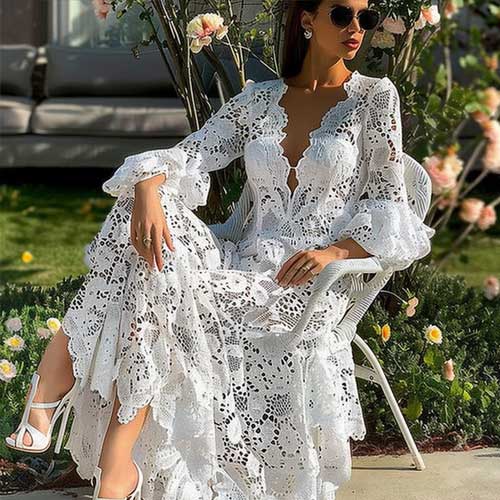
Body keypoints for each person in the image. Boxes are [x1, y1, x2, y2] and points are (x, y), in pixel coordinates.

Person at [5, 1, 436, 499]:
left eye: (367, 15)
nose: (357, 27)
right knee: (137, 222)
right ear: (307, 19)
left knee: (156, 291)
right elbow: (190, 154)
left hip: (307, 284)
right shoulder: (260, 101)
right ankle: (117, 462)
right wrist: (147, 188)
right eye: (342, 14)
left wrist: (336, 252)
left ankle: (60, 387)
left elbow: (388, 202)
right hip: (240, 261)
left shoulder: (374, 99)